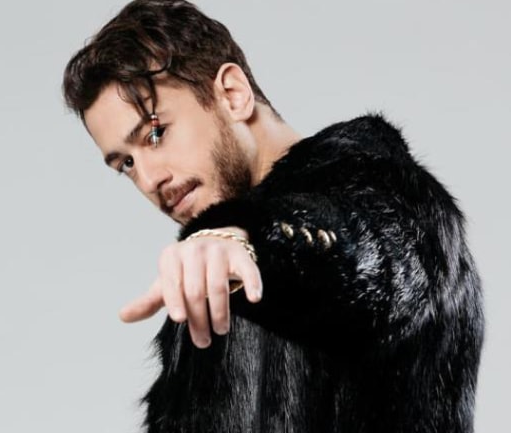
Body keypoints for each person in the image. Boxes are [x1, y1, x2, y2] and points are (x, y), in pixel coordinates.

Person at [62, 1, 484, 432]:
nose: (150, 179)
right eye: (126, 164)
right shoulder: (208, 282)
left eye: (155, 133)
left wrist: (253, 240)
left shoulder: (393, 194)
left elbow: (368, 254)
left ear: (232, 94)